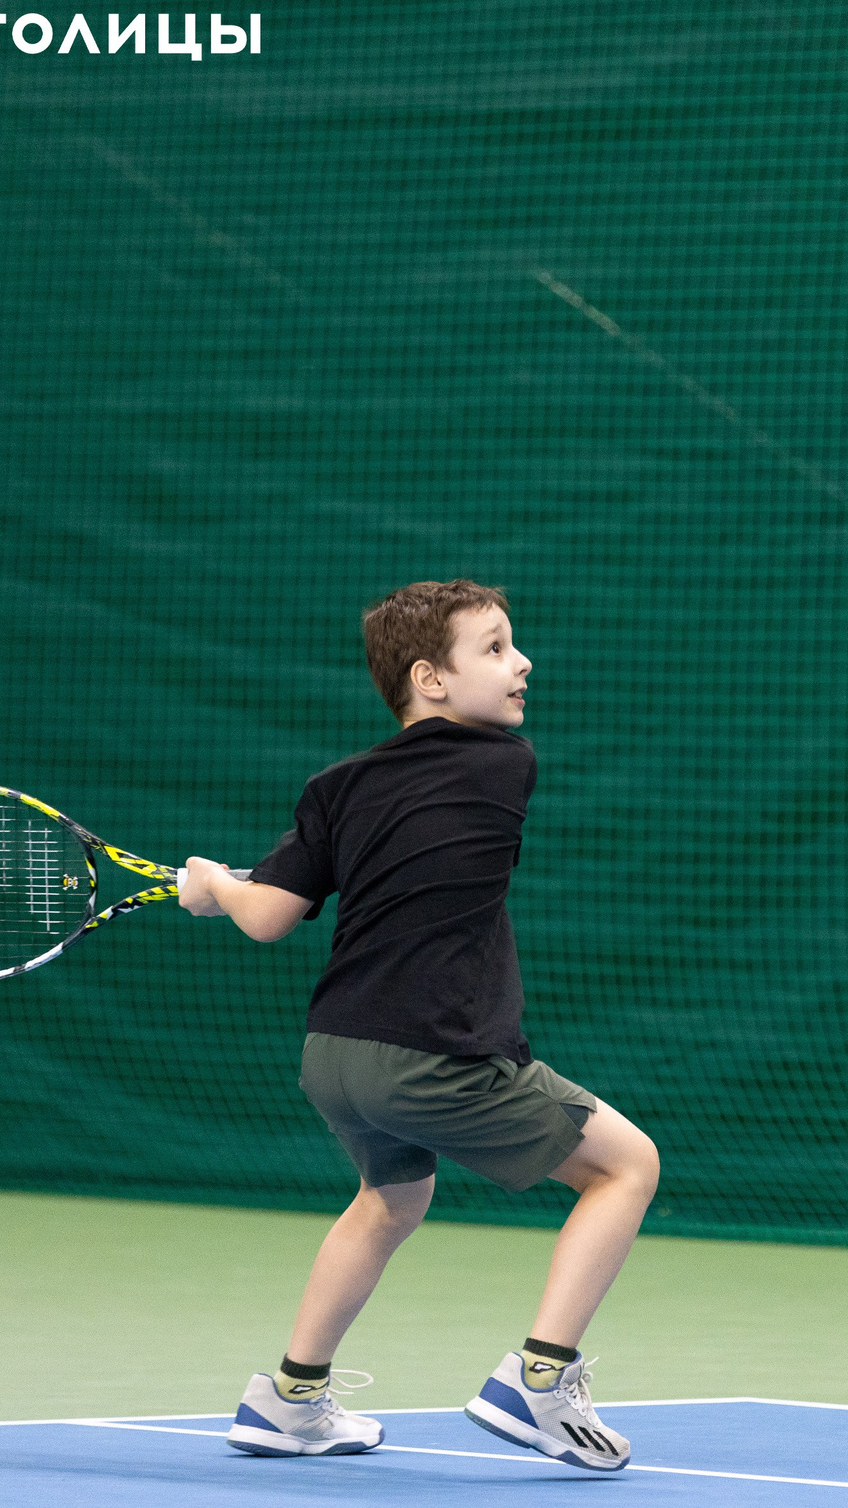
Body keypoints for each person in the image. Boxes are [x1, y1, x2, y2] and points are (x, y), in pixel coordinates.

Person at [177, 579, 658, 1472]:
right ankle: (541, 1380)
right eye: (496, 648)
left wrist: (211, 886)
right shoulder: (502, 762)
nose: (522, 665)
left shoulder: (336, 787)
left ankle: (289, 1399)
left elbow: (268, 916)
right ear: (429, 678)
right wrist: (227, 886)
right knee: (627, 1165)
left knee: (391, 1200)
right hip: (430, 1053)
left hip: (335, 1055)